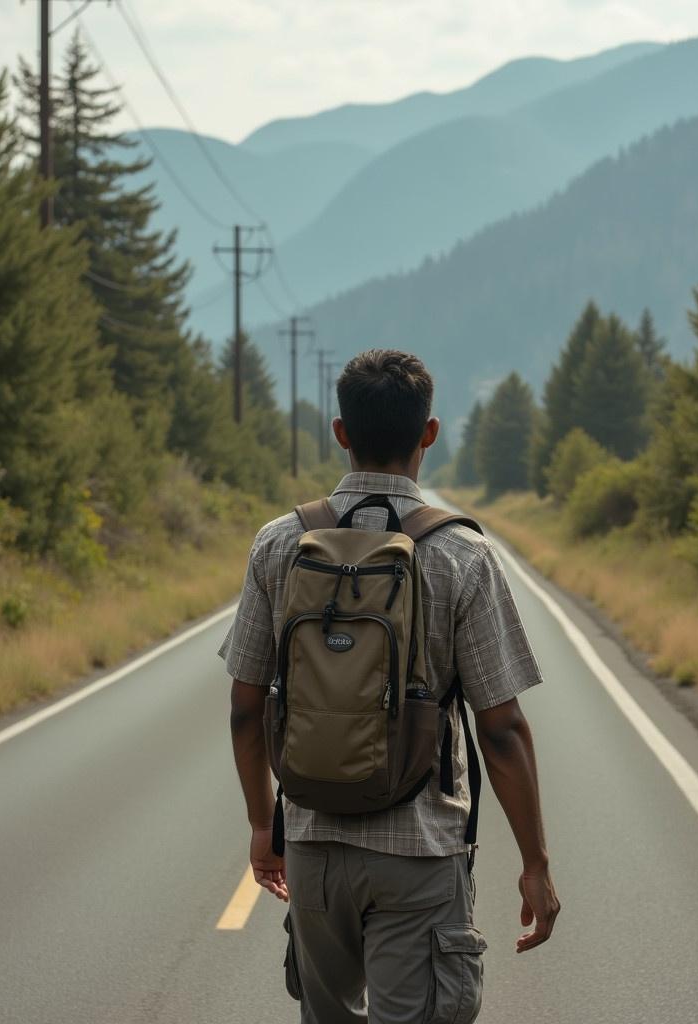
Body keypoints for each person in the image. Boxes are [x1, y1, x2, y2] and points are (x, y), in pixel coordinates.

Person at [219, 348, 560, 1024]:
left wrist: (266, 824)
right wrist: (535, 864)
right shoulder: (463, 556)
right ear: (429, 433)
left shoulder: (278, 545)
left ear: (340, 433)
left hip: (313, 845)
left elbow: (244, 708)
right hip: (420, 849)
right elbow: (501, 728)